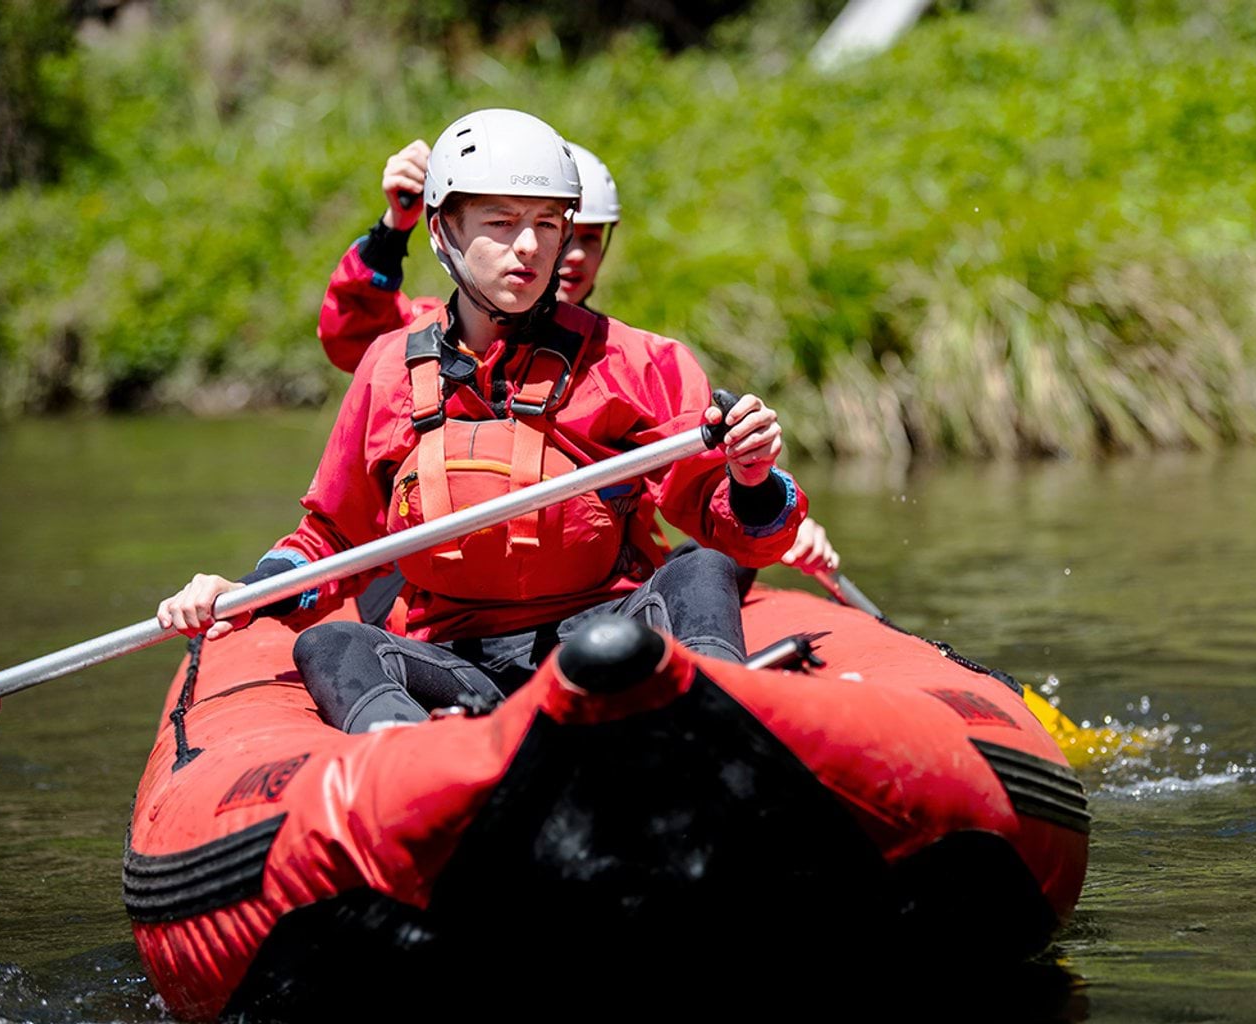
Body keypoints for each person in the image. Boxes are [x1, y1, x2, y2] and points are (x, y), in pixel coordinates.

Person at [158, 109, 809, 734]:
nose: (529, 247)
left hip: (603, 636)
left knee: (701, 570)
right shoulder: (389, 367)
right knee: (332, 643)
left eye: (549, 224)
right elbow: (331, 540)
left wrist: (752, 479)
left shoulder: (639, 362)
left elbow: (725, 519)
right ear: (443, 232)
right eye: (500, 222)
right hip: (455, 659)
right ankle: (416, 768)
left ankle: (720, 737)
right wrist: (241, 592)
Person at [318, 138, 840, 584]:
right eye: (504, 222)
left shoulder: (625, 354)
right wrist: (394, 227)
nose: (543, 249)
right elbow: (355, 338)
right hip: (451, 584)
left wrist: (762, 492)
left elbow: (702, 474)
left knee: (710, 569)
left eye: (559, 229)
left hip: (592, 586)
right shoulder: (429, 344)